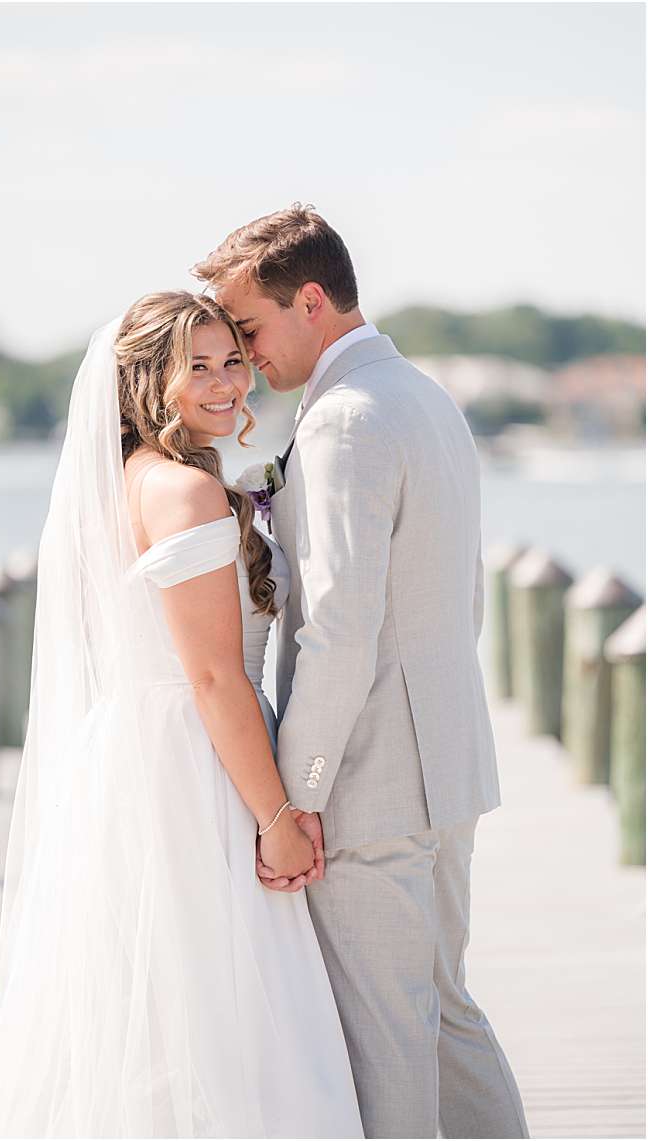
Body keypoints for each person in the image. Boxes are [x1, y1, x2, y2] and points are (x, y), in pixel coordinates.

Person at [0, 292, 362, 1137]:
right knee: (229, 1023)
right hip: (194, 770)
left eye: (231, 361)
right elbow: (215, 678)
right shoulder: (183, 492)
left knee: (153, 1021)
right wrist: (279, 816)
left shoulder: (131, 484)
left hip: (130, 761)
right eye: (200, 367)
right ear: (147, 381)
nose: (227, 384)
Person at [196, 204, 527, 1138]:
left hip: (372, 783)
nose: (247, 353)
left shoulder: (342, 420)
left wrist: (291, 799)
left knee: (386, 1037)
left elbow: (337, 628)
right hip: (447, 765)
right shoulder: (424, 395)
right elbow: (457, 593)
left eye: (251, 328)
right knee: (445, 1012)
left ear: (311, 300)